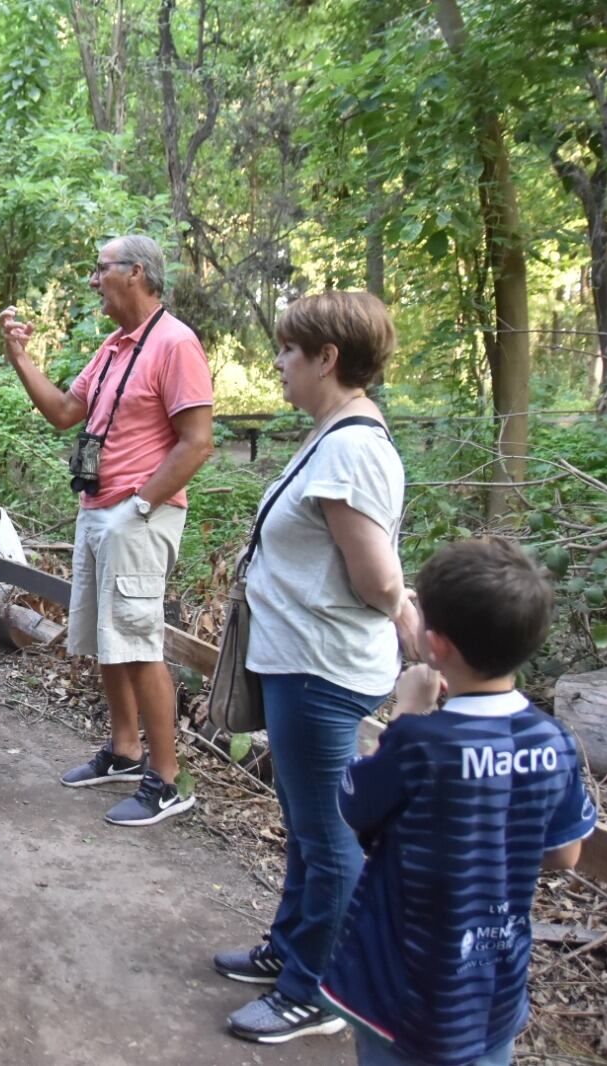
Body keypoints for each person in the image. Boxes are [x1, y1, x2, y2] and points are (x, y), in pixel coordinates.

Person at [213, 291, 417, 1043]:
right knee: (305, 824)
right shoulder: (330, 435)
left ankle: (318, 991)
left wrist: (406, 610)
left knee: (329, 835)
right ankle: (292, 948)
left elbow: (376, 577)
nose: (277, 363)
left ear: (328, 358)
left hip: (322, 666)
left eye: (289, 352)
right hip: (300, 656)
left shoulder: (353, 447)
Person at [320, 538, 596, 1065]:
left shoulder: (421, 743)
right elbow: (565, 853)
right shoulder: (552, 740)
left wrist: (407, 711)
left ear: (437, 644)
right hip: (493, 987)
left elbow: (354, 807)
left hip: (402, 985)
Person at [0, 234, 214, 826]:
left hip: (139, 514)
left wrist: (140, 506)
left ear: (136, 272)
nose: (93, 280)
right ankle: (124, 751)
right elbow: (66, 412)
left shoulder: (176, 343)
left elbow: (197, 444)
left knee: (139, 642)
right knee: (107, 638)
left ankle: (169, 781)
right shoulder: (116, 346)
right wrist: (20, 357)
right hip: (99, 510)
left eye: (101, 269)